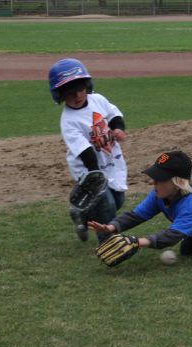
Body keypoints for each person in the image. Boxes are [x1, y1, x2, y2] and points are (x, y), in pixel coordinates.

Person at [48, 58, 128, 242]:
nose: (77, 96)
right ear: (60, 95)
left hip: (109, 160)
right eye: (70, 94)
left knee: (118, 200)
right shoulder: (68, 121)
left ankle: (81, 214)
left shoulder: (97, 100)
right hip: (88, 168)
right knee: (106, 204)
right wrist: (96, 176)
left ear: (87, 86)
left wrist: (118, 128)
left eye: (80, 90)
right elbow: (85, 153)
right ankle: (107, 242)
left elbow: (113, 114)